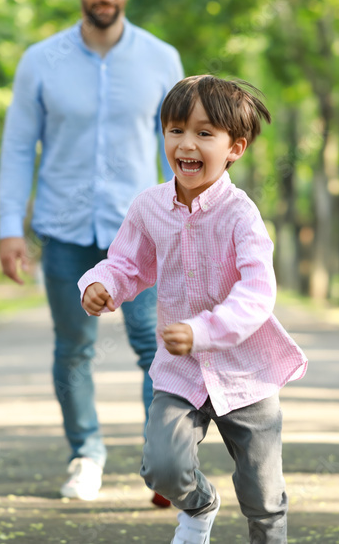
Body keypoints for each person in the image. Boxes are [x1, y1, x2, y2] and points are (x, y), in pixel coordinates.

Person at [78, 75, 308, 544]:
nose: (187, 143)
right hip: (181, 371)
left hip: (246, 373)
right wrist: (102, 284)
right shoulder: (149, 207)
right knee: (163, 466)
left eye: (205, 133)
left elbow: (257, 294)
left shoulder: (241, 215)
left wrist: (204, 331)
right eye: (176, 129)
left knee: (263, 495)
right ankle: (200, 504)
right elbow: (127, 263)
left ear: (235, 148)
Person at [0, 0, 183, 504]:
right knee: (74, 347)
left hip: (143, 232)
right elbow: (16, 146)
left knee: (157, 347)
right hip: (65, 228)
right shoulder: (40, 60)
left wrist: (190, 220)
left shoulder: (161, 59)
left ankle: (164, 461)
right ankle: (86, 455)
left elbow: (179, 148)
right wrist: (9, 224)